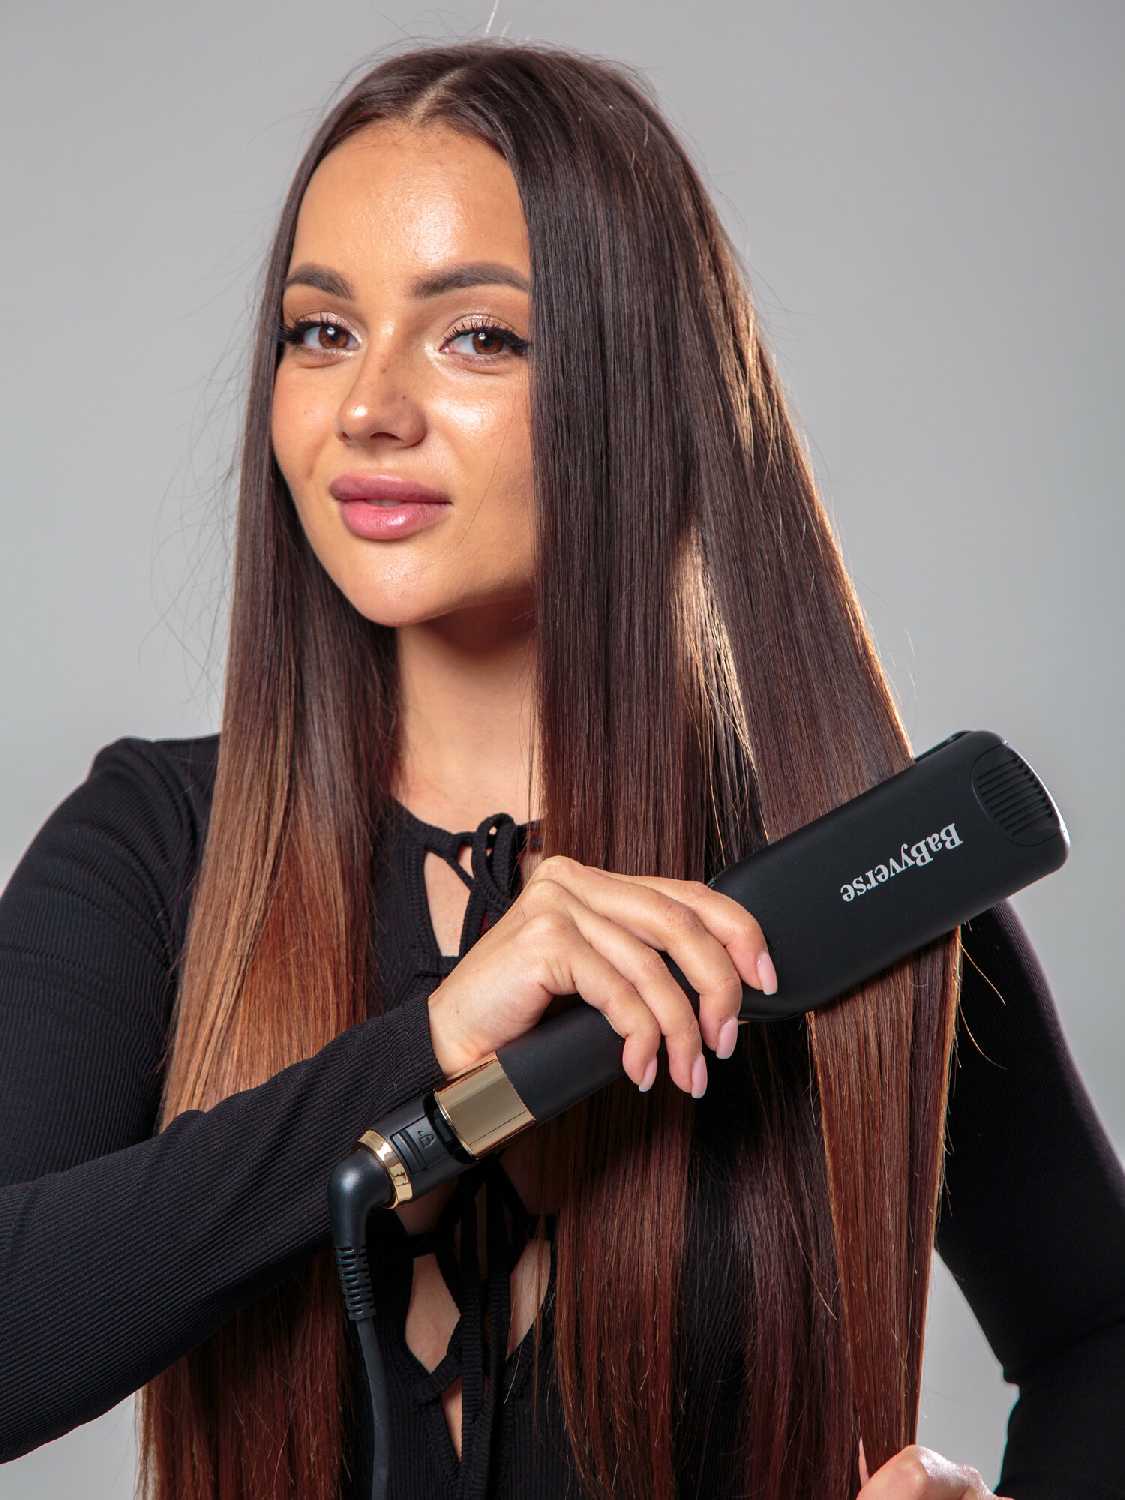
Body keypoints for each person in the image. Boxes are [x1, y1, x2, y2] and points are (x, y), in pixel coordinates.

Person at [2, 37, 1123, 1500]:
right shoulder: (158, 847)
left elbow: (1099, 1338)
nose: (366, 407)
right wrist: (430, 1051)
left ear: (634, 382)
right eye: (320, 332)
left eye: (477, 337)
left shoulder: (839, 886)